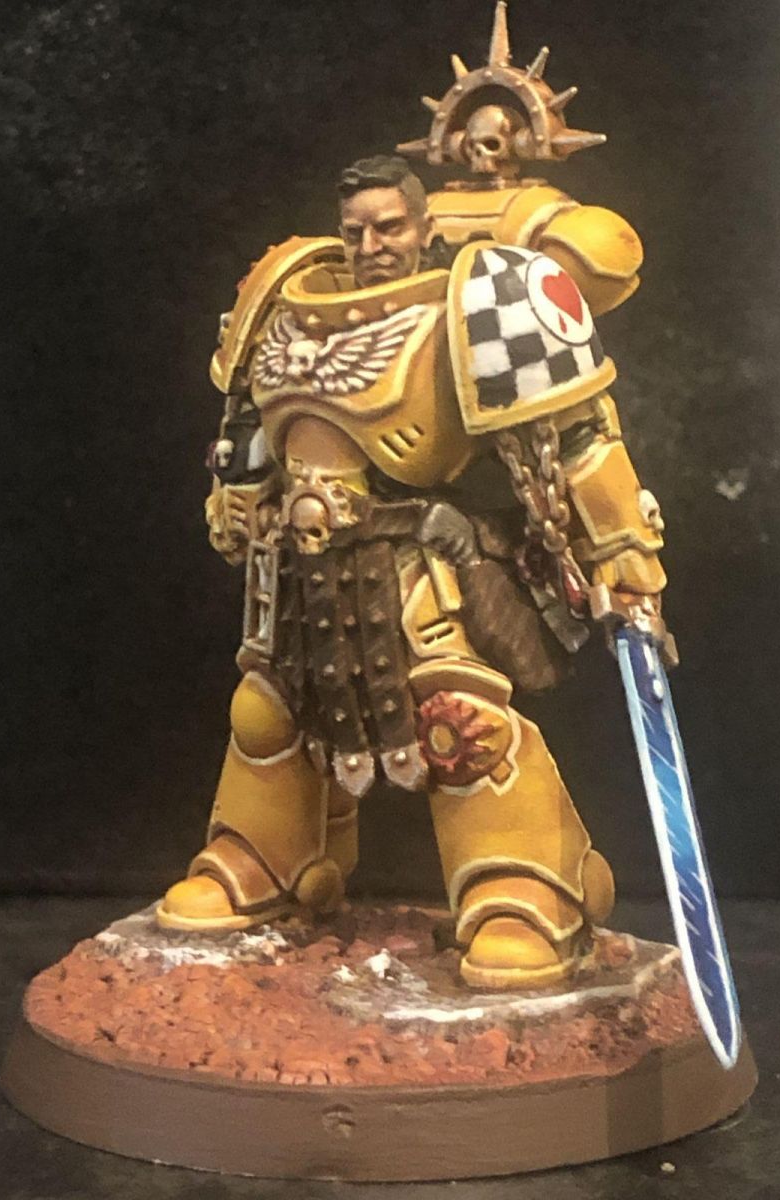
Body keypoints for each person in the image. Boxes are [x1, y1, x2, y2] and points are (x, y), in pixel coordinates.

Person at [157, 152, 666, 990]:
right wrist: (239, 494)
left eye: (390, 227)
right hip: (297, 563)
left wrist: (624, 549)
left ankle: (529, 889)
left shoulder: (477, 302)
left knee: (456, 721)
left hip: (415, 556)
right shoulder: (286, 299)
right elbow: (247, 418)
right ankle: (266, 857)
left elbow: (575, 438)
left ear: (424, 226)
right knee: (269, 709)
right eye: (356, 229)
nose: (372, 245)